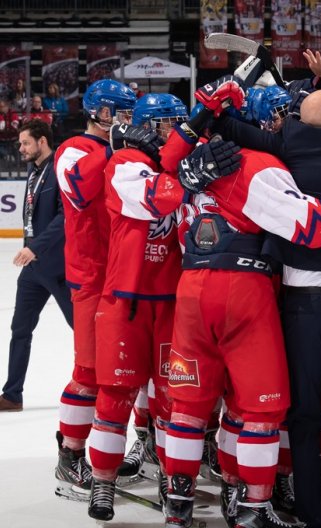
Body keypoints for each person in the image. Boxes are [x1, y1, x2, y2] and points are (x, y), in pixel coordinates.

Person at [199, 81, 321, 528]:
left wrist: (218, 103)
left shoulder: (286, 147)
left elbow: (224, 126)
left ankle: (311, 515)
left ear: (298, 124)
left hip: (302, 307)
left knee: (304, 417)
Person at [86, 93, 207, 522]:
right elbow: (159, 198)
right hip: (127, 300)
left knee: (174, 400)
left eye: (176, 122)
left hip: (174, 302)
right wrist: (192, 172)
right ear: (143, 126)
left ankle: (171, 481)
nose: (170, 130)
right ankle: (102, 482)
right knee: (115, 396)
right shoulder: (123, 164)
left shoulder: (183, 164)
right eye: (163, 123)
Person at [53, 79, 137, 500]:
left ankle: (125, 448)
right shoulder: (72, 150)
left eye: (127, 112)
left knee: (126, 374)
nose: (124, 119)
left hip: (126, 277)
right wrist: (114, 148)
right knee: (88, 373)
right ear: (97, 112)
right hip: (90, 278)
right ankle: (70, 456)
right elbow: (81, 190)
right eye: (117, 112)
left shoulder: (124, 149)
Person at [0, 119, 72, 412]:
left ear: (42, 141)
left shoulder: (59, 170)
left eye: (25, 143)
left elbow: (64, 218)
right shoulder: (33, 170)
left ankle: (100, 386)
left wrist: (35, 247)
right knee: (20, 329)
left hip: (58, 267)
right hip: (33, 271)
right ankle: (12, 395)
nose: (20, 148)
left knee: (81, 328)